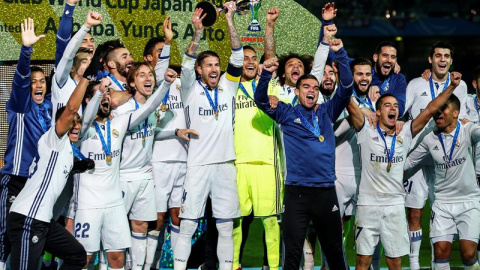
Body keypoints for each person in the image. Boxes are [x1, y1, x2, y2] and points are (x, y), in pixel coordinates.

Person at [6, 17, 100, 270]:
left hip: (43, 222)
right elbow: (70, 108)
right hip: (28, 217)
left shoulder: (69, 151)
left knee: (77, 255)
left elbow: (81, 113)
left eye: (78, 124)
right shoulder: (54, 139)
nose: (76, 126)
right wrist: (87, 78)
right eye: (72, 122)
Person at [346, 65, 462, 269]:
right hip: (368, 205)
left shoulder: (405, 132)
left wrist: (451, 86)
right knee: (363, 261)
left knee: (395, 261)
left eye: (395, 106)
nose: (393, 109)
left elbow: (430, 109)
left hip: (395, 206)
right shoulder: (365, 130)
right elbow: (347, 101)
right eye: (387, 105)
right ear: (378, 111)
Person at [254, 37, 351, 270]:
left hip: (326, 191)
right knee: (293, 255)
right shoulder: (286, 113)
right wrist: (266, 74)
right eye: (306, 87)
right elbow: (260, 100)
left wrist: (340, 53)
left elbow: (346, 87)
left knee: (335, 253)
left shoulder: (327, 111)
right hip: (296, 192)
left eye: (315, 88)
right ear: (297, 91)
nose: (312, 91)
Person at [74, 57, 175, 268]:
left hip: (114, 202)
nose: (104, 99)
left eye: (106, 97)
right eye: (98, 97)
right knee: (85, 256)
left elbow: (147, 109)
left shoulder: (118, 123)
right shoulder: (84, 130)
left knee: (117, 255)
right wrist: (100, 91)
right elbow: (88, 116)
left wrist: (164, 84)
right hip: (90, 203)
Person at [172, 3, 243, 270]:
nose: (214, 69)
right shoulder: (189, 88)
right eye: (208, 65)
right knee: (188, 223)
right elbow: (188, 61)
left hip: (226, 165)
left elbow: (237, 55)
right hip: (198, 165)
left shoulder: (228, 85)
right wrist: (198, 33)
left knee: (226, 226)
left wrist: (230, 20)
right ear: (200, 71)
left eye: (216, 64)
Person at [403, 41, 468, 270]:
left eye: (447, 56)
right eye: (438, 55)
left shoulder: (460, 86)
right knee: (415, 213)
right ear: (430, 59)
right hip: (418, 156)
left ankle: (436, 263)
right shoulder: (416, 84)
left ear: (451, 61)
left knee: (442, 213)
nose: (442, 59)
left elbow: (464, 119)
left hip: (444, 159)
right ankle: (412, 264)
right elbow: (403, 115)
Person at [405, 91, 480, 270]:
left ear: (456, 113)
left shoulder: (468, 130)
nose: (438, 112)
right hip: (442, 203)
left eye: (443, 109)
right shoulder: (429, 138)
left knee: (468, 254)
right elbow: (409, 162)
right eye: (436, 109)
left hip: (469, 201)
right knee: (440, 253)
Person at [0, 18, 53, 270]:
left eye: (42, 80)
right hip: (15, 178)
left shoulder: (51, 108)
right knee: (5, 234)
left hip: (39, 182)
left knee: (38, 233)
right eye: (34, 81)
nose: (38, 84)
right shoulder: (20, 106)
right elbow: (20, 79)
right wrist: (26, 50)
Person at [50, 11, 102, 123]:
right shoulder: (62, 81)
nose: (89, 65)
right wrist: (86, 26)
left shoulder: (94, 85)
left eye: (91, 62)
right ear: (72, 67)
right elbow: (67, 55)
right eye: (84, 61)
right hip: (59, 138)